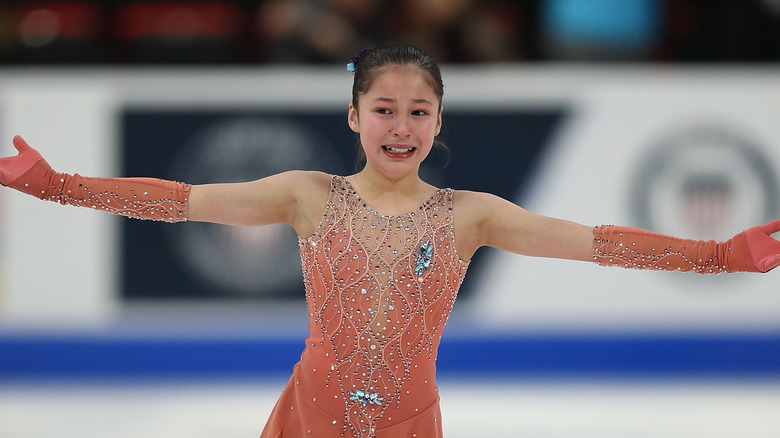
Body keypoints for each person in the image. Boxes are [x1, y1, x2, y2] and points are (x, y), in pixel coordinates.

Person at [1, 43, 780, 438]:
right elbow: (180, 202)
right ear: (354, 116)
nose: (400, 127)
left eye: (417, 112)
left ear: (438, 122)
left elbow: (597, 243)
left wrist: (717, 257)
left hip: (409, 422)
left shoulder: (469, 215)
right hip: (310, 417)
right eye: (383, 109)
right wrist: (58, 184)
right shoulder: (307, 196)